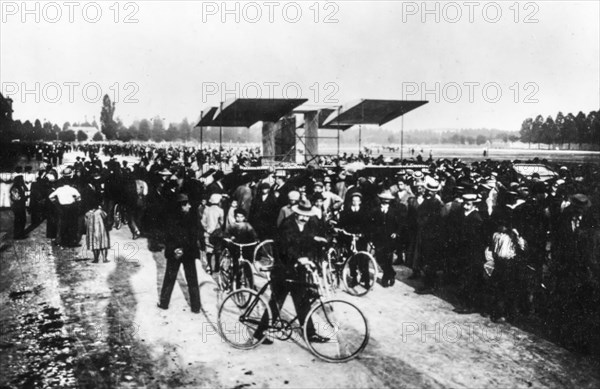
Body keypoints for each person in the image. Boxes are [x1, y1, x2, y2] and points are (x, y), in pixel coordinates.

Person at [254, 199, 329, 344]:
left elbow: (306, 242)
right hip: (283, 269)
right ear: (296, 213)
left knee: (303, 301)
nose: (305, 218)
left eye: (307, 216)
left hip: (297, 270)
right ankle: (260, 332)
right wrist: (299, 258)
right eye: (302, 215)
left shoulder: (306, 226)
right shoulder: (287, 225)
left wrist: (311, 255)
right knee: (276, 303)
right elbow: (285, 248)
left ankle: (310, 333)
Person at [157, 194, 201, 313]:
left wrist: (176, 249)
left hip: (175, 252)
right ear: (181, 206)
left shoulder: (170, 218)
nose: (189, 206)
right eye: (187, 204)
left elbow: (168, 236)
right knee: (192, 279)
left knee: (169, 278)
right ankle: (195, 307)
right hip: (188, 253)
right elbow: (194, 236)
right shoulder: (192, 218)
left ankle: (164, 303)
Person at [371, 190, 402, 287]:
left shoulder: (394, 211)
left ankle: (386, 277)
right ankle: (391, 273)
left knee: (388, 257)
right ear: (381, 200)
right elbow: (372, 224)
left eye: (388, 200)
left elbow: (400, 224)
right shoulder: (375, 210)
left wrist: (396, 233)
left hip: (389, 238)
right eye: (384, 199)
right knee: (379, 257)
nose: (386, 201)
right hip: (378, 237)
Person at [10, 175, 27, 240]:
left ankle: (20, 234)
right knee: (19, 220)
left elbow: (26, 189)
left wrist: (23, 184)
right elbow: (16, 198)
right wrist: (24, 198)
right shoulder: (15, 188)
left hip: (20, 205)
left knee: (22, 220)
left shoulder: (20, 187)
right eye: (21, 180)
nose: (23, 181)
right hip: (17, 206)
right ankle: (17, 235)